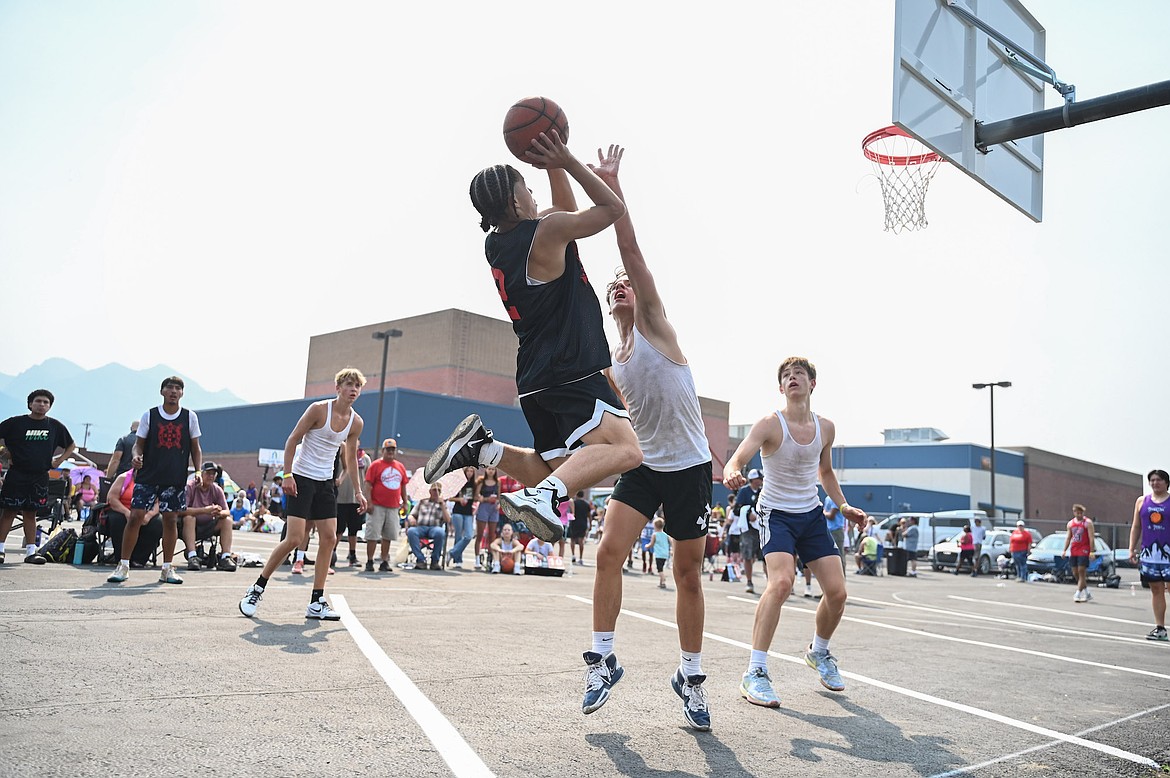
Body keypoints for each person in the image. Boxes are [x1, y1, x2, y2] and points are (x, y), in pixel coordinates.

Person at [424, 130, 641, 545]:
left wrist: (551, 162)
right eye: (527, 186)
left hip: (536, 376)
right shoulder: (546, 232)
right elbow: (611, 208)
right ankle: (541, 499)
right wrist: (568, 159)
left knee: (556, 471)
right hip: (571, 365)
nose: (534, 192)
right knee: (628, 451)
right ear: (515, 201)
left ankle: (484, 450)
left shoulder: (499, 243)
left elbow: (563, 213)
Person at [574, 146, 713, 732]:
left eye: (625, 283)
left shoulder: (656, 325)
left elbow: (629, 250)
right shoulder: (614, 361)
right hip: (648, 463)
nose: (620, 286)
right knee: (607, 552)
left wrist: (611, 188)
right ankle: (603, 659)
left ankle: (690, 673)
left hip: (691, 466)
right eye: (615, 287)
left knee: (686, 573)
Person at [724, 357, 867, 708]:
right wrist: (731, 469)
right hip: (777, 515)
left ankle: (819, 652)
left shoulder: (826, 428)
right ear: (781, 387)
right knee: (782, 583)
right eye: (786, 376)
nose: (792, 379)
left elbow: (826, 472)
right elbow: (738, 458)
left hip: (812, 515)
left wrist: (844, 506)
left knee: (837, 593)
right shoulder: (770, 424)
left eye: (799, 374)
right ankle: (755, 672)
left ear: (812, 383)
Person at [238, 369, 367, 620]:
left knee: (329, 538)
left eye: (357, 386)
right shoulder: (319, 410)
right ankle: (256, 588)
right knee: (295, 538)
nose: (353, 390)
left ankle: (317, 602)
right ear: (338, 387)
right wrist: (287, 475)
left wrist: (359, 491)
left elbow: (350, 457)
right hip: (301, 478)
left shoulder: (356, 422)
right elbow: (292, 440)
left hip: (325, 483)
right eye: (349, 385)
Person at [107, 377, 201, 585]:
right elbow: (138, 445)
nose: (173, 391)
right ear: (162, 391)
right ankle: (123, 565)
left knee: (170, 520)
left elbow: (196, 448)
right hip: (148, 476)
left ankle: (167, 569)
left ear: (182, 393)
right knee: (135, 517)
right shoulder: (150, 415)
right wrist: (136, 456)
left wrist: (199, 471)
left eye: (178, 388)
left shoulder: (189, 417)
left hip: (174, 477)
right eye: (170, 388)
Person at [0, 389, 76, 564]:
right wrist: (5, 452)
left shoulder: (55, 426)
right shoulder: (15, 423)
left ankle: (31, 552)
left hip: (40, 476)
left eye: (46, 402)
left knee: (30, 513)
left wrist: (58, 461)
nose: (42, 405)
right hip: (16, 474)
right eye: (38, 401)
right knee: (9, 511)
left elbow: (71, 445)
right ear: (30, 404)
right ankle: (1, 549)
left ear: (49, 406)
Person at [1130, 469, 1169, 641]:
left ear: (1166, 482)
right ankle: (1160, 628)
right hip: (1149, 554)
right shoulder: (1141, 501)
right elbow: (1136, 526)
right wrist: (1132, 548)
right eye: (1152, 480)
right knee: (1156, 590)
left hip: (1168, 552)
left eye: (1159, 480)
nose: (1155, 483)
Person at [362, 438, 407, 572]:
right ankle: (369, 561)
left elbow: (403, 486)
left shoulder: (400, 467)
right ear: (383, 451)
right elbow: (368, 484)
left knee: (388, 535)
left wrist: (404, 502)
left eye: (392, 450)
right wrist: (369, 502)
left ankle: (384, 561)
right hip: (377, 506)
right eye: (388, 450)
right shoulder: (375, 465)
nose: (390, 452)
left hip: (393, 507)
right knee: (373, 535)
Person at [181, 462, 236, 572]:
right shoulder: (190, 486)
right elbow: (182, 510)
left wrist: (219, 512)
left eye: (213, 474)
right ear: (201, 473)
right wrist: (204, 510)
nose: (211, 476)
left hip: (209, 526)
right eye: (208, 473)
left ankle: (225, 556)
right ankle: (192, 556)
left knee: (227, 520)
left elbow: (227, 511)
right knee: (189, 517)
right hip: (191, 526)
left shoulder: (217, 489)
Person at [104, 469, 163, 568]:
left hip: (145, 512)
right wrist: (127, 513)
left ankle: (139, 559)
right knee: (117, 520)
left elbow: (157, 502)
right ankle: (121, 558)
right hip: (123, 510)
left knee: (158, 522)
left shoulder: (154, 480)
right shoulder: (123, 478)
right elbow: (112, 498)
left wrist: (148, 516)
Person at [335, 446, 370, 567]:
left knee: (353, 530)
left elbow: (368, 479)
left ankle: (352, 555)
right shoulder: (340, 455)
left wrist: (366, 496)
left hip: (356, 499)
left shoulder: (365, 458)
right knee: (338, 529)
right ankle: (331, 553)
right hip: (340, 498)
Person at [407, 481, 451, 570]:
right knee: (411, 531)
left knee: (440, 532)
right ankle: (420, 559)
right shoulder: (422, 502)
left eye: (438, 490)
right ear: (430, 491)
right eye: (434, 490)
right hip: (420, 527)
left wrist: (442, 506)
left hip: (435, 528)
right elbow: (412, 514)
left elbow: (448, 520)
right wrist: (411, 518)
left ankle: (435, 561)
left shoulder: (442, 504)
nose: (436, 492)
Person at [1063, 503, 1096, 603]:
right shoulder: (1070, 523)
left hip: (1084, 549)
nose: (1079, 515)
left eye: (1081, 513)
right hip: (1074, 549)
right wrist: (1064, 550)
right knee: (1075, 573)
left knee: (1081, 571)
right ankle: (1087, 592)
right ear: (1074, 513)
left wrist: (1092, 551)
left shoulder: (1087, 523)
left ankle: (1077, 593)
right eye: (1077, 513)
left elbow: (1091, 537)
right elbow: (1068, 537)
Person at [448, 466, 478, 569]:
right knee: (458, 535)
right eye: (468, 471)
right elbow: (450, 498)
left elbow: (476, 497)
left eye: (471, 471)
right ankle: (458, 560)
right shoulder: (458, 483)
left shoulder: (474, 484)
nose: (469, 473)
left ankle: (451, 553)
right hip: (458, 511)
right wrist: (459, 499)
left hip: (468, 512)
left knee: (469, 535)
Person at [473, 466, 501, 570]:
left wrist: (498, 503)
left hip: (493, 509)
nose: (491, 471)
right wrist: (483, 499)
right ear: (486, 470)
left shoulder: (498, 482)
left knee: (491, 536)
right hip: (484, 507)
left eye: (493, 469)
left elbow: (499, 496)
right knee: (480, 535)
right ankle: (477, 558)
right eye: (489, 469)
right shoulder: (481, 481)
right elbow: (476, 497)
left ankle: (490, 559)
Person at [823, 496, 847, 573]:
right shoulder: (828, 498)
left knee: (839, 555)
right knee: (829, 555)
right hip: (829, 529)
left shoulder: (835, 498)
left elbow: (831, 516)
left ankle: (842, 577)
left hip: (836, 530)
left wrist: (823, 512)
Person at [569, 491, 591, 566]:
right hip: (583, 523)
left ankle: (573, 555)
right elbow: (589, 515)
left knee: (573, 540)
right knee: (581, 541)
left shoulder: (573, 503)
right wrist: (590, 524)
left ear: (576, 495)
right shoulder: (586, 504)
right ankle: (581, 558)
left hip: (574, 522)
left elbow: (571, 512)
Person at [651, 517, 670, 589]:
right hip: (665, 554)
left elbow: (652, 544)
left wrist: (647, 546)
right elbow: (671, 542)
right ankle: (661, 582)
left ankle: (663, 579)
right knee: (661, 567)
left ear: (655, 526)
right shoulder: (665, 534)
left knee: (659, 569)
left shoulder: (655, 535)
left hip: (659, 554)